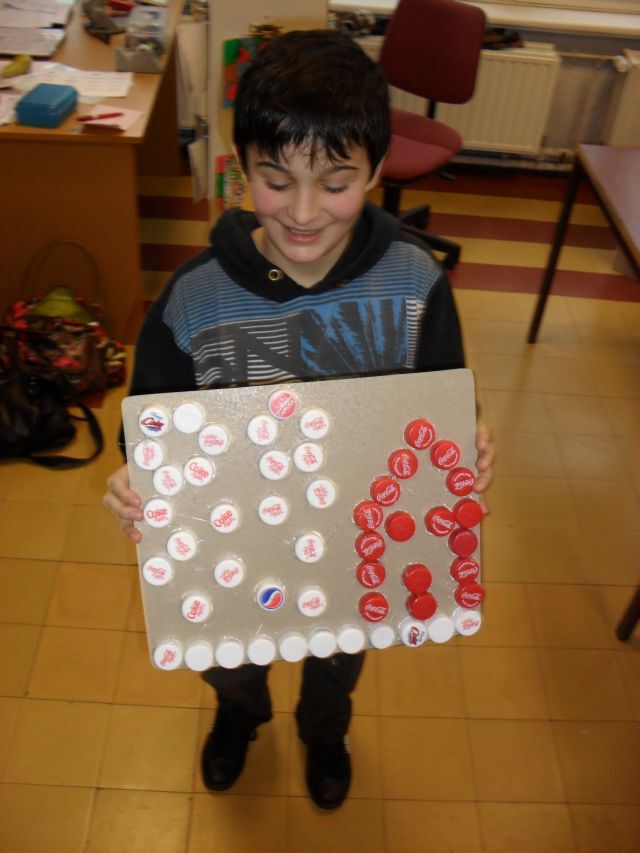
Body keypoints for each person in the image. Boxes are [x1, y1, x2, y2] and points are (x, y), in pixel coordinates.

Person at [103, 29, 494, 810]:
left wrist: (465, 443)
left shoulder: (416, 281)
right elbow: (148, 429)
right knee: (231, 655)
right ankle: (239, 715)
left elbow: (440, 400)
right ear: (241, 165)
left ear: (376, 170)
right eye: (276, 180)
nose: (305, 211)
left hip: (356, 546)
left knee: (339, 655)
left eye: (337, 182)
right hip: (230, 549)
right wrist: (132, 477)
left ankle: (325, 731)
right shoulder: (193, 297)